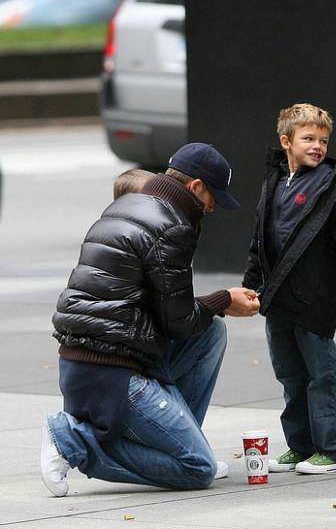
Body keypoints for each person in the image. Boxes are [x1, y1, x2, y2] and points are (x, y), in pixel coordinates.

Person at [41, 142, 259, 496]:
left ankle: (181, 440)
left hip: (86, 361)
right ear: (195, 187)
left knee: (212, 333)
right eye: (213, 196)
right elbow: (179, 323)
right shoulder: (170, 225)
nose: (213, 207)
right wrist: (225, 298)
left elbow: (167, 313)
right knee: (197, 468)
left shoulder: (127, 204)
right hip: (112, 371)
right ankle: (72, 440)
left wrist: (219, 306)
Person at [243, 103, 336, 474]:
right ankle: (300, 446)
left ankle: (332, 450)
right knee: (289, 374)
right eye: (308, 138)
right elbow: (260, 237)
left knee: (321, 374)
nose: (318, 146)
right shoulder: (274, 179)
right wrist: (251, 284)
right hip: (278, 297)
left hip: (315, 296)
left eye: (324, 140)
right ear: (286, 141)